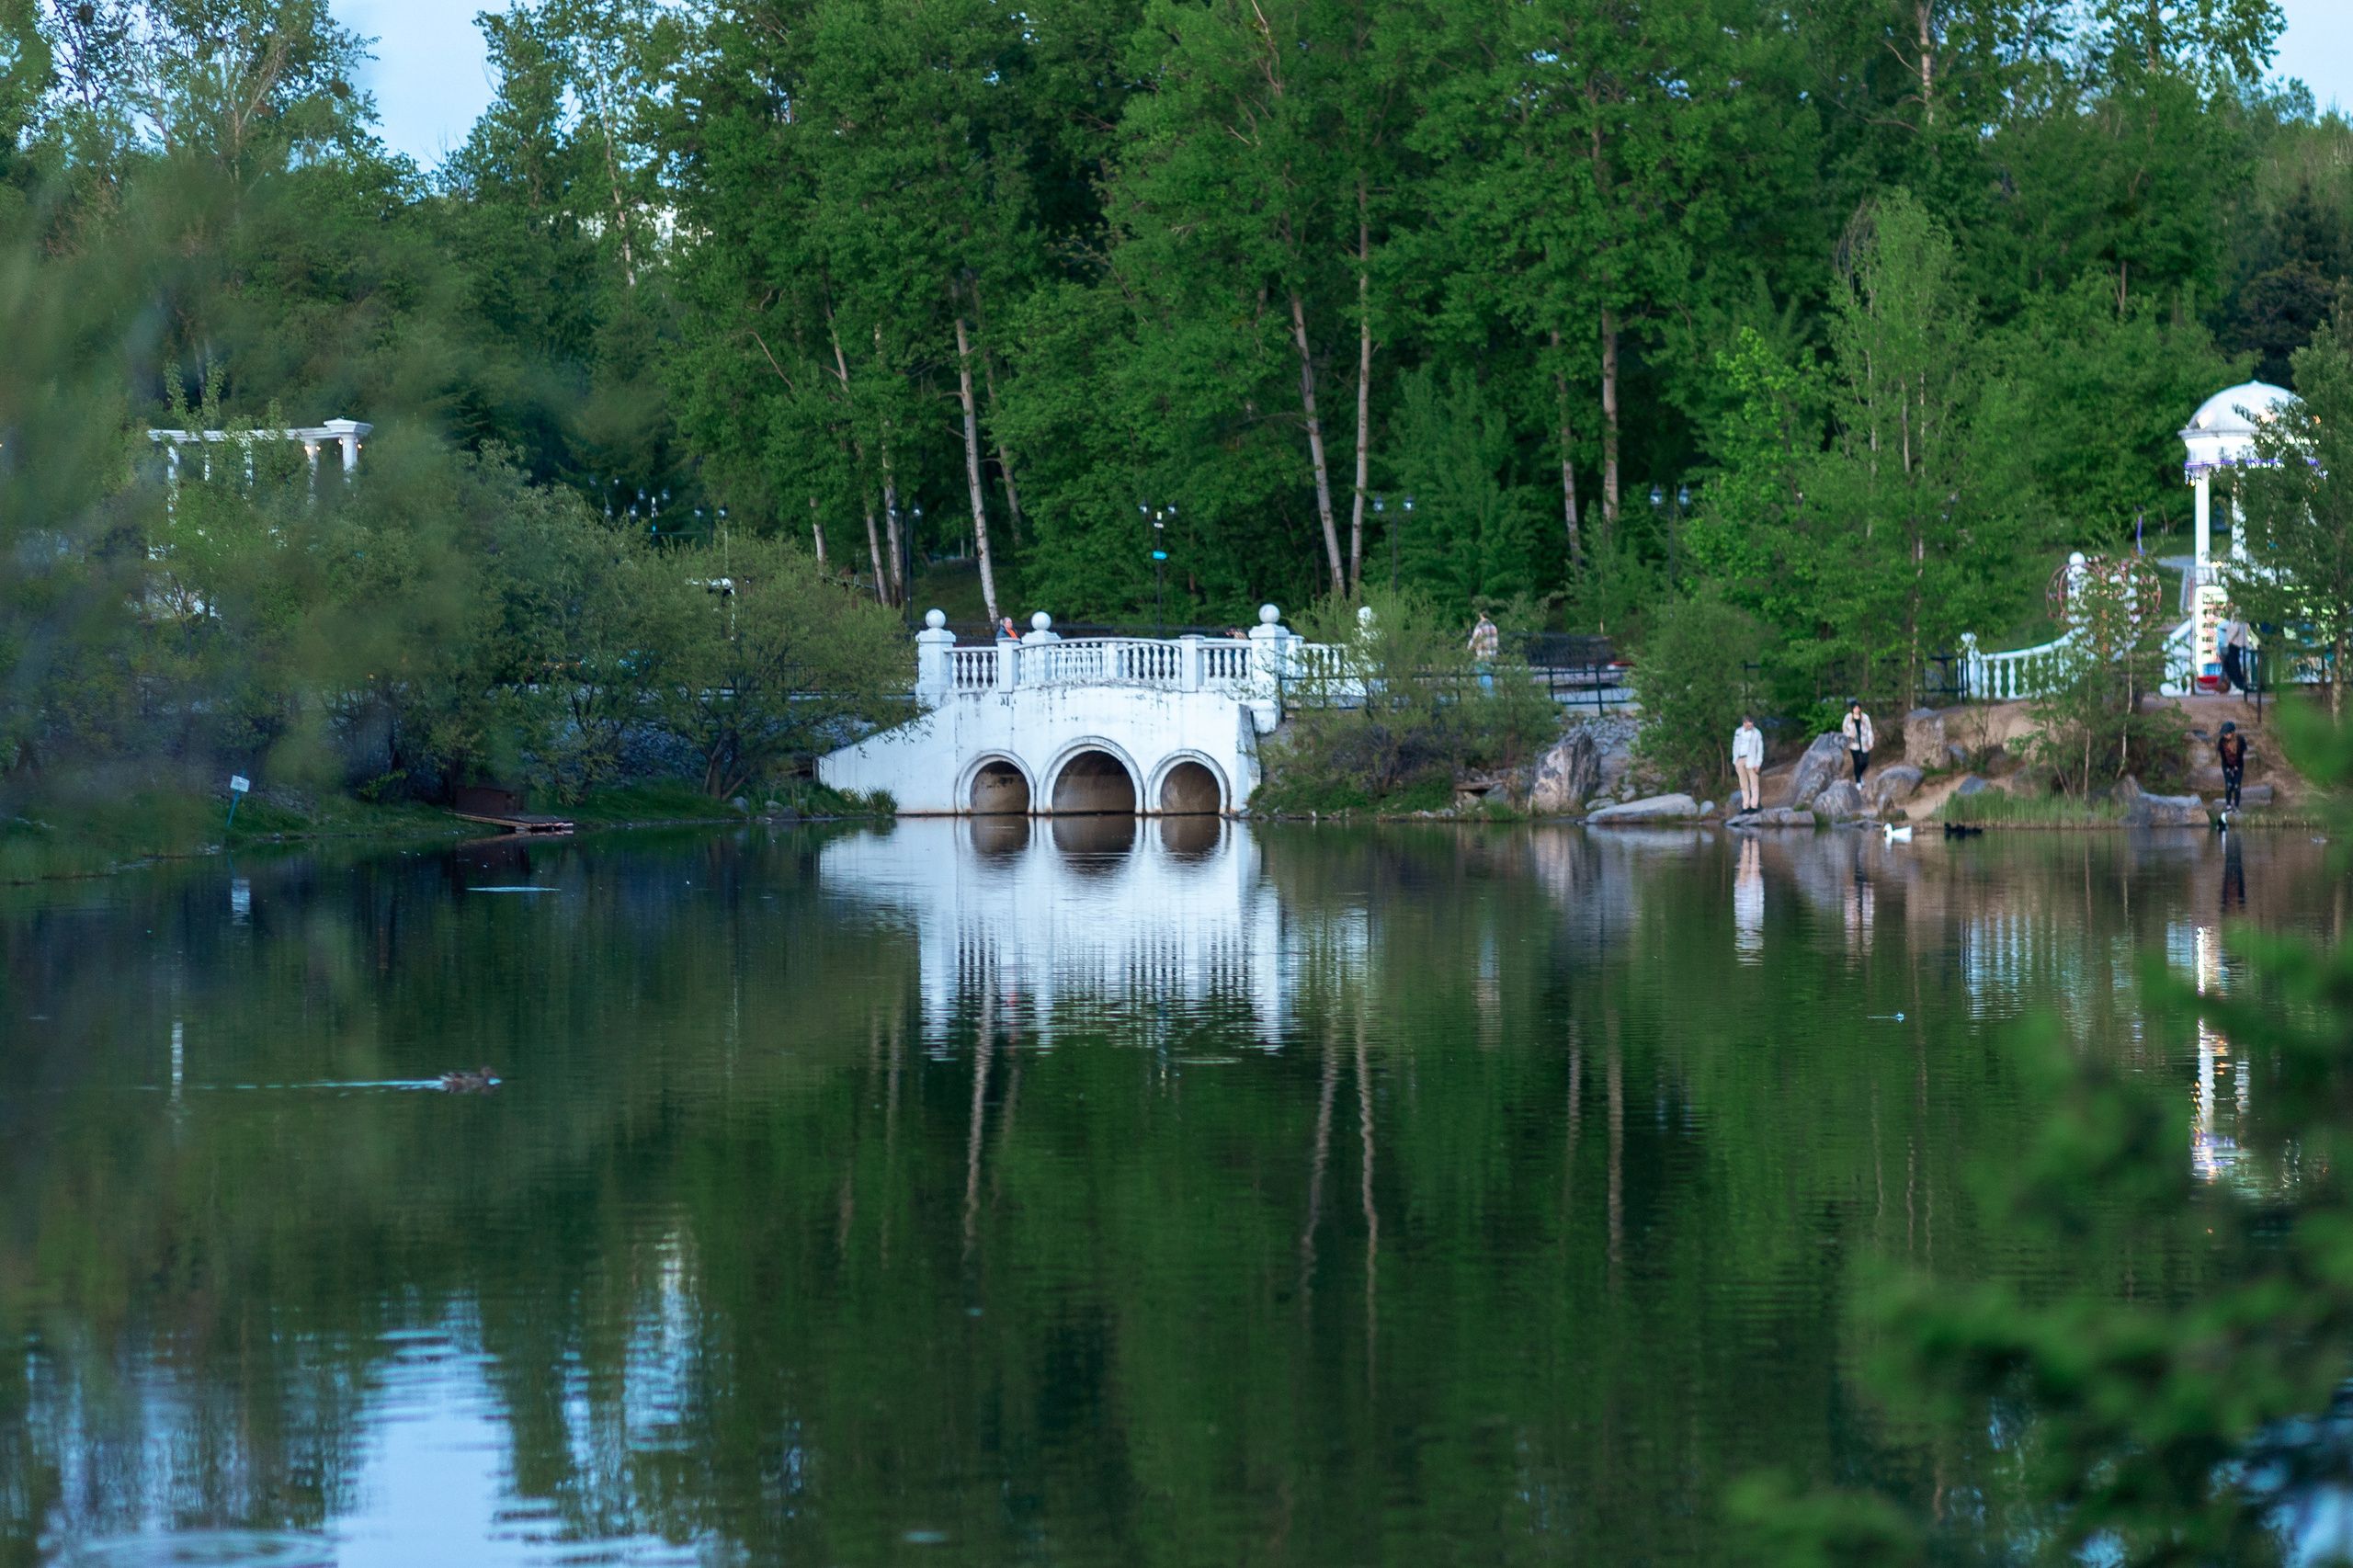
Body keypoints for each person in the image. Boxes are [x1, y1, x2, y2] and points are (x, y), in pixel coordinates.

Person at [1732, 715, 1765, 812]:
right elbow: (1735, 746)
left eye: (1751, 724)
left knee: (1754, 784)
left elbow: (1760, 749)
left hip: (1752, 760)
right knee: (1743, 784)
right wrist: (1735, 761)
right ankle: (1745, 806)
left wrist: (1758, 763)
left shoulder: (1757, 733)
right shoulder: (1738, 732)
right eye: (1748, 724)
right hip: (1740, 760)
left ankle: (1754, 805)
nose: (1751, 726)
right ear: (1744, 724)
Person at [1841, 700, 1874, 784]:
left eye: (1858, 707)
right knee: (1857, 762)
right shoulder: (1848, 717)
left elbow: (1869, 730)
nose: (1857, 709)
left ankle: (1858, 775)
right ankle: (1858, 782)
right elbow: (1844, 729)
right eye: (1855, 708)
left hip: (1864, 743)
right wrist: (1850, 734)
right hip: (1853, 744)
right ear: (1852, 709)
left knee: (1865, 762)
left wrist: (1871, 742)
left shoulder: (1865, 717)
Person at [2217, 720, 2247, 811]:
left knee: (2237, 785)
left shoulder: (2240, 740)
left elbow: (2240, 755)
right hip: (2227, 765)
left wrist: (2236, 767)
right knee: (2229, 785)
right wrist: (2228, 768)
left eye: (2227, 734)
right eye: (2224, 734)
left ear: (2232, 733)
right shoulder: (2222, 741)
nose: (2225, 736)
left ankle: (2237, 806)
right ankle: (2228, 806)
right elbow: (2223, 756)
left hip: (2239, 764)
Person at [1469, 610, 1499, 692]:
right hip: (1491, 656)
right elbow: (1495, 643)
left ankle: (1488, 700)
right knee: (1488, 676)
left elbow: (1474, 640)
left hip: (1482, 655)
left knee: (1483, 679)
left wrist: (1469, 648)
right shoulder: (1494, 627)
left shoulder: (1480, 626)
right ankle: (1488, 698)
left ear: (1480, 615)